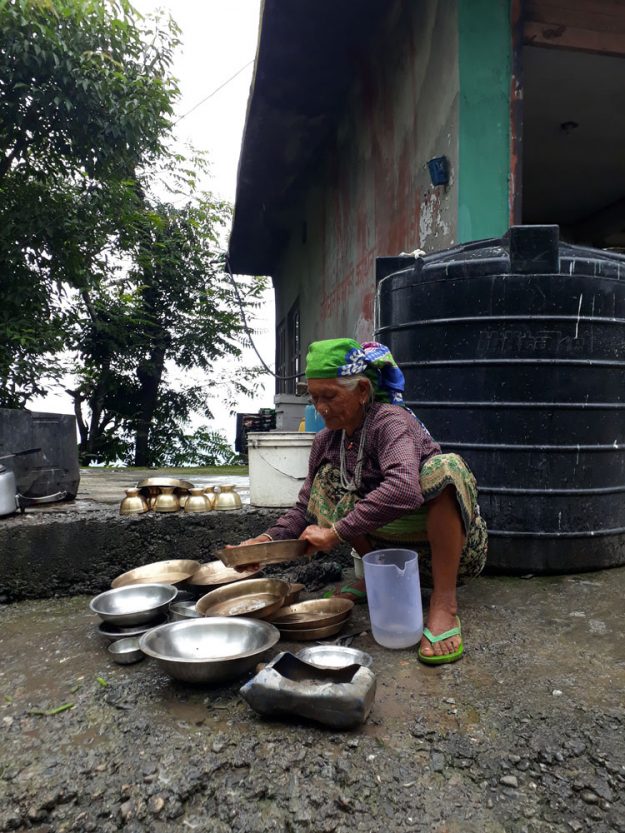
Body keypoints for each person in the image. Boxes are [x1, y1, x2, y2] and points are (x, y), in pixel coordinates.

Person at [240, 338, 488, 664]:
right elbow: (305, 507)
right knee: (328, 482)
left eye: (330, 396)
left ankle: (444, 604)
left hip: (447, 557)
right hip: (386, 550)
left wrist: (335, 532)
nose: (321, 408)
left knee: (446, 468)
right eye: (315, 398)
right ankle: (378, 579)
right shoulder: (326, 441)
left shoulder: (390, 422)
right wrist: (267, 542)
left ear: (361, 391)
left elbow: (404, 490)